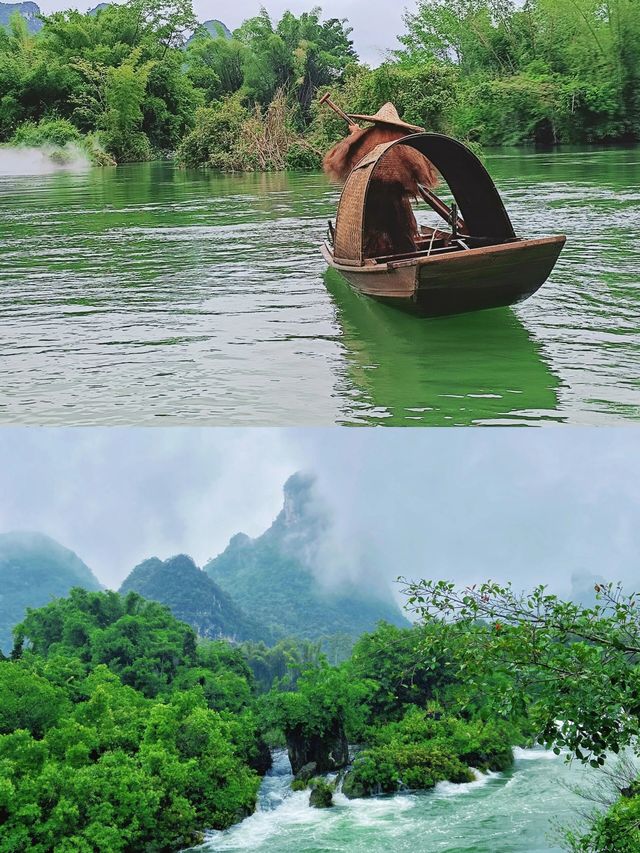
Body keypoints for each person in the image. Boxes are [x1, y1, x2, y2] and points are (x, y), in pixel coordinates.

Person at [323, 103, 438, 258]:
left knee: (368, 237)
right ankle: (408, 260)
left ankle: (369, 260)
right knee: (402, 236)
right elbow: (422, 174)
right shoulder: (404, 140)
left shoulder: (364, 137)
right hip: (396, 200)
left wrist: (354, 134)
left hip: (369, 198)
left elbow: (339, 160)